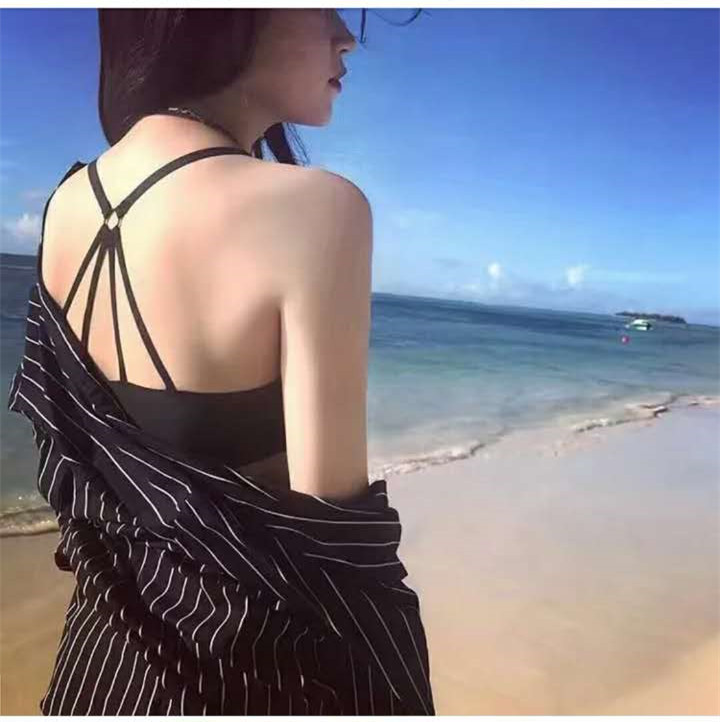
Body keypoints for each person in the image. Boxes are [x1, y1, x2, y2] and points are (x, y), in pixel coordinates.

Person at [6, 8, 435, 715]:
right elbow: (339, 553)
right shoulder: (317, 210)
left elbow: (79, 478)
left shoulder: (66, 203)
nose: (347, 37)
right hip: (245, 679)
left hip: (97, 671)